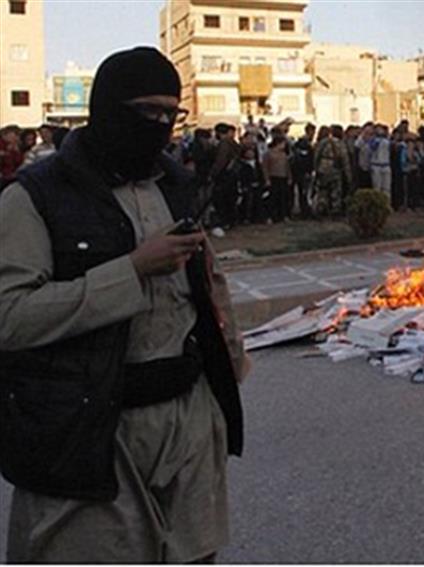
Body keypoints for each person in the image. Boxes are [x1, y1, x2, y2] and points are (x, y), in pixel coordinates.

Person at [0, 46, 245, 564]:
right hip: (90, 430)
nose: (159, 127)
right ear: (108, 109)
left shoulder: (174, 184)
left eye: (170, 115)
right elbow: (11, 318)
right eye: (146, 113)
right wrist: (131, 269)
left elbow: (207, 278)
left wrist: (231, 357)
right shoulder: (34, 197)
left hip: (187, 422)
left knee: (195, 554)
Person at [209, 123, 241, 228]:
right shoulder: (234, 143)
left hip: (225, 174)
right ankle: (232, 220)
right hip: (233, 173)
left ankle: (225, 221)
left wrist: (213, 173)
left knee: (222, 198)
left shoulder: (224, 143)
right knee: (231, 198)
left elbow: (221, 161)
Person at [312, 125, 349, 217]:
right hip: (335, 169)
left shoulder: (323, 142)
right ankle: (335, 210)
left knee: (322, 190)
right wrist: (348, 174)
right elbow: (345, 159)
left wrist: (316, 168)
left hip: (323, 169)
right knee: (335, 191)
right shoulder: (340, 144)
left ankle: (321, 209)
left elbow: (316, 156)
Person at [291, 123, 316, 219]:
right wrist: (308, 171)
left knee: (304, 192)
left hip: (300, 171)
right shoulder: (304, 144)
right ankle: (305, 211)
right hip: (302, 172)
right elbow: (306, 160)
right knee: (304, 192)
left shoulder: (301, 144)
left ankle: (304, 210)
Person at [263, 137, 291, 222]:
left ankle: (283, 215)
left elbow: (287, 167)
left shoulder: (284, 154)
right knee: (273, 198)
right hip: (273, 176)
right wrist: (267, 179)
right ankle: (271, 216)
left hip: (283, 177)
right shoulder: (268, 153)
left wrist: (289, 177)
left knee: (283, 197)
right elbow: (265, 167)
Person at [369, 124, 393, 207]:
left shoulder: (387, 140)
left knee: (387, 188)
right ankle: (377, 205)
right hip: (376, 165)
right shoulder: (373, 140)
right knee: (377, 187)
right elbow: (372, 147)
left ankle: (386, 205)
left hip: (386, 165)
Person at [0, 124, 24, 190]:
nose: (17, 138)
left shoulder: (15, 147)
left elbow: (18, 163)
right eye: (15, 134)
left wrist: (16, 151)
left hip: (11, 176)